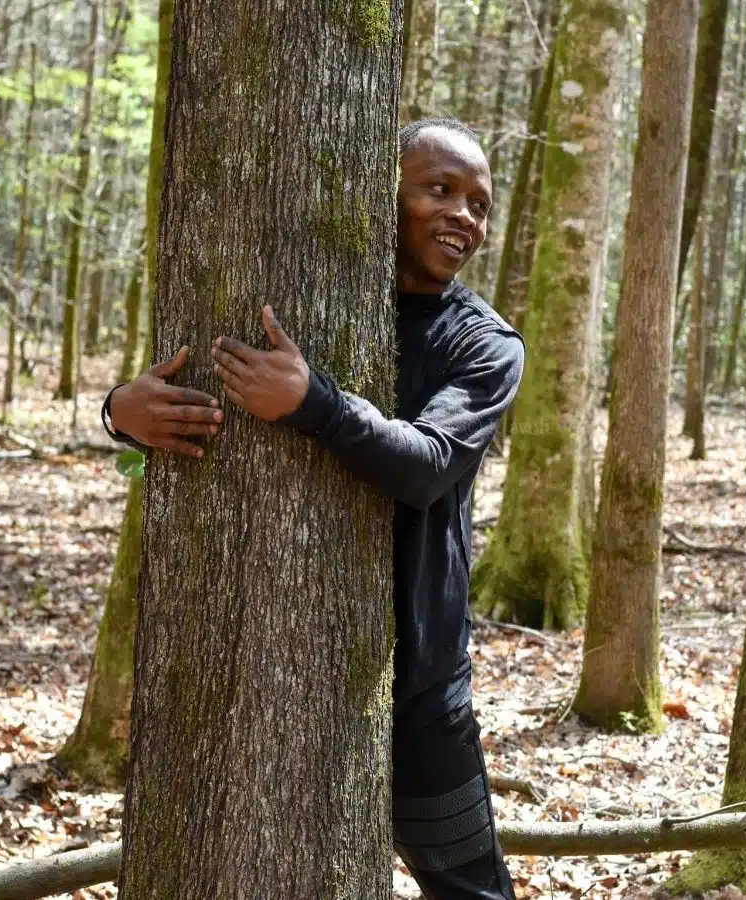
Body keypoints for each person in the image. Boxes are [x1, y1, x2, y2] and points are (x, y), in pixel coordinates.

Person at [101, 117, 523, 900]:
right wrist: (119, 412)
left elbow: (428, 467)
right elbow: (180, 404)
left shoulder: (486, 346)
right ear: (381, 193)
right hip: (246, 663)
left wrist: (314, 404)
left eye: (480, 202)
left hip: (418, 684)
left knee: (470, 888)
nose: (464, 214)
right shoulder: (289, 287)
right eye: (438, 189)